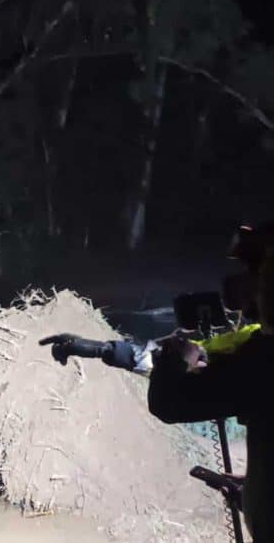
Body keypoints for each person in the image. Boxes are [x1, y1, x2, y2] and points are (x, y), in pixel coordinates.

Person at [41, 223, 273, 542]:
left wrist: (174, 359)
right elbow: (198, 358)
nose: (245, 290)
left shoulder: (262, 357)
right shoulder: (254, 345)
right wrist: (101, 349)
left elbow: (171, 398)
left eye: (258, 275)